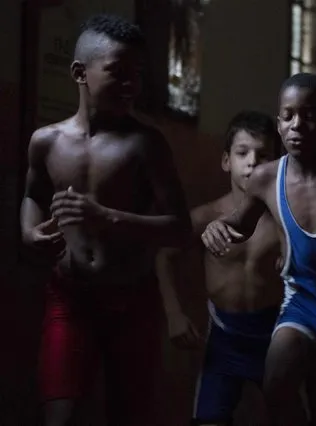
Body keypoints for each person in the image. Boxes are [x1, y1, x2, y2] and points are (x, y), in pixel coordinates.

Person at [20, 14, 191, 426]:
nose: (132, 84)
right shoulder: (46, 142)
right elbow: (32, 195)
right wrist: (28, 231)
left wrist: (109, 217)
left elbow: (180, 228)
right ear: (81, 73)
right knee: (59, 415)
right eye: (119, 72)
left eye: (138, 74)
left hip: (132, 299)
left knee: (127, 414)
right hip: (70, 297)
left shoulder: (147, 145)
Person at [201, 73, 316, 426]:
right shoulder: (266, 177)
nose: (297, 124)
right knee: (276, 385)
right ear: (279, 123)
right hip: (300, 303)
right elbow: (239, 224)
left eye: (310, 115)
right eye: (288, 115)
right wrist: (215, 227)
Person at [156, 111, 293, 426]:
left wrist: (289, 262)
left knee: (289, 416)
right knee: (208, 419)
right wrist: (174, 313)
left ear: (277, 163)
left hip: (274, 336)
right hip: (224, 337)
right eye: (242, 153)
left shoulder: (285, 219)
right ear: (226, 161)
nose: (252, 162)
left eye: (263, 155)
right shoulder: (207, 216)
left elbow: (306, 260)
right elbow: (164, 255)